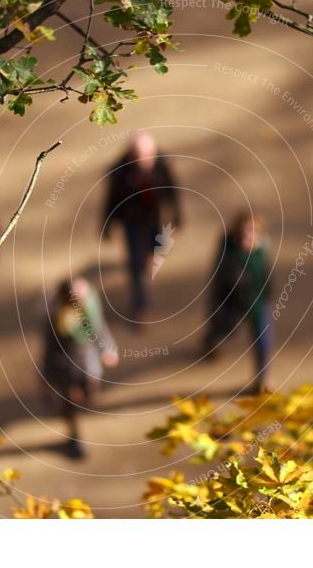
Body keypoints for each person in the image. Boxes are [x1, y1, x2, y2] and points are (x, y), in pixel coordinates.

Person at [103, 132, 181, 321]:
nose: (145, 160)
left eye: (148, 156)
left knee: (157, 247)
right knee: (135, 265)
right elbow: (111, 200)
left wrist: (178, 216)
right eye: (140, 156)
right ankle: (141, 305)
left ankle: (150, 256)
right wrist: (106, 225)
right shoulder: (120, 172)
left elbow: (173, 191)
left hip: (154, 217)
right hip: (131, 221)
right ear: (132, 154)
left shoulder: (162, 164)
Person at [42, 277, 119, 459]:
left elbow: (98, 327)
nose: (83, 299)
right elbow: (49, 347)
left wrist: (107, 347)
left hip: (87, 359)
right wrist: (46, 376)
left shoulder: (90, 302)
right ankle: (75, 437)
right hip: (65, 363)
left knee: (89, 393)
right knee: (71, 400)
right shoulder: (56, 315)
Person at [203, 212, 273, 395]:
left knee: (263, 340)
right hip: (231, 300)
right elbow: (224, 275)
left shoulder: (263, 247)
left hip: (256, 300)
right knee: (223, 329)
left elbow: (266, 272)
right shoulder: (229, 250)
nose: (249, 236)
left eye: (254, 231)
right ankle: (210, 344)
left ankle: (262, 380)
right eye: (246, 231)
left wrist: (267, 293)